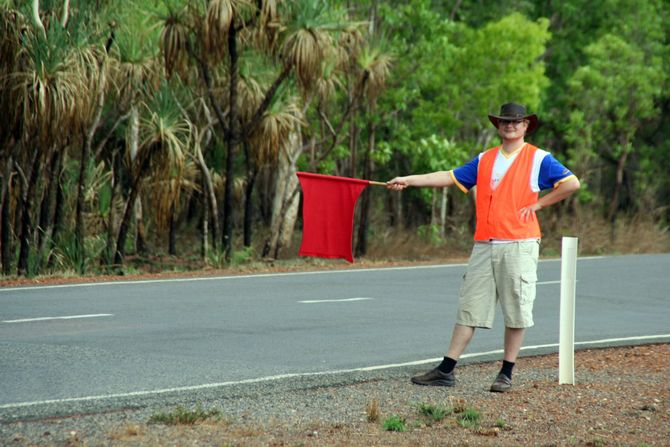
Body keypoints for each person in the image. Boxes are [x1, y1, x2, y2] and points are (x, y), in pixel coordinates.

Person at [387, 103, 580, 392]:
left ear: (526, 125)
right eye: (505, 121)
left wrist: (539, 203)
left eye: (516, 121)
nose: (510, 125)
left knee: (516, 308)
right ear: (498, 126)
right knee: (470, 307)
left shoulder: (539, 158)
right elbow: (449, 177)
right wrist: (409, 180)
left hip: (519, 243)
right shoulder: (486, 159)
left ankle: (506, 373)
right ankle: (446, 370)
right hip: (485, 244)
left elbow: (571, 183)